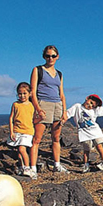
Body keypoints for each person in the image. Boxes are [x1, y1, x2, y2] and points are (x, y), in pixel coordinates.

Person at [30, 45, 68, 177]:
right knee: (37, 139)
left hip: (57, 105)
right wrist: (38, 109)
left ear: (57, 57)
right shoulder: (38, 70)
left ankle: (57, 165)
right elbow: (32, 92)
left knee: (56, 137)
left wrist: (64, 110)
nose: (50, 58)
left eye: (53, 56)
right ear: (44, 56)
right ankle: (32, 168)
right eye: (47, 55)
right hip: (43, 104)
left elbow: (62, 93)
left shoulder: (59, 74)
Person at [65, 94, 103, 173]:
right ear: (87, 98)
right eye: (90, 102)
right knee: (86, 150)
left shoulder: (94, 110)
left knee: (99, 146)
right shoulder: (77, 107)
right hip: (84, 133)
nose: (90, 105)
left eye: (93, 105)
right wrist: (62, 120)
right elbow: (68, 113)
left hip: (95, 131)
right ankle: (86, 165)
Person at [8, 82, 36, 178]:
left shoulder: (32, 105)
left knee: (22, 149)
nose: (22, 96)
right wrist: (11, 132)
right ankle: (21, 166)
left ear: (29, 93)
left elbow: (34, 118)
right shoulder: (15, 104)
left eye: (24, 93)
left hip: (27, 131)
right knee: (19, 152)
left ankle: (28, 168)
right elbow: (11, 118)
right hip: (17, 131)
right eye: (20, 93)